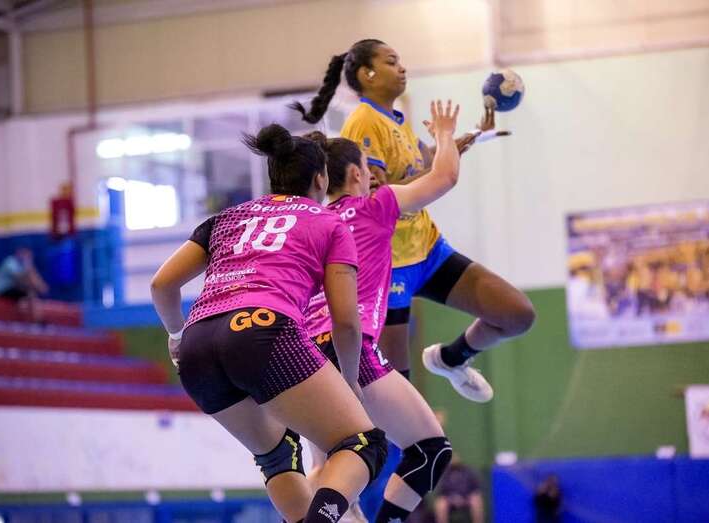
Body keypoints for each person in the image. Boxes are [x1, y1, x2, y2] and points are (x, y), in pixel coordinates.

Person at [151, 124, 388, 523]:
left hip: (197, 346)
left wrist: (177, 334)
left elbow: (162, 285)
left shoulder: (226, 218)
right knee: (364, 444)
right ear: (321, 179)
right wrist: (350, 381)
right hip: (263, 330)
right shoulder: (328, 222)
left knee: (277, 455)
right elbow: (347, 321)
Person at [292, 38, 535, 402]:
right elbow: (377, 197)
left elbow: (426, 163)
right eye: (391, 61)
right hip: (389, 266)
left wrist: (467, 137)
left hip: (427, 248)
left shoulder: (397, 119)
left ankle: (451, 359)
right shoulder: (364, 122)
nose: (402, 67)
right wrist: (443, 145)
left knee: (516, 314)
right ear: (367, 74)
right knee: (396, 388)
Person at [302, 98, 460, 523]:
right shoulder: (375, 205)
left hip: (301, 356)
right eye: (368, 169)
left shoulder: (313, 222)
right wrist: (445, 135)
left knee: (328, 471)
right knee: (430, 451)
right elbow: (444, 176)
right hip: (348, 349)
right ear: (358, 174)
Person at [0, 246, 49, 322]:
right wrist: (29, 266)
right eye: (25, 254)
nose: (26, 256)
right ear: (19, 253)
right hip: (1, 290)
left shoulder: (22, 266)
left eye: (28, 255)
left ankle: (34, 320)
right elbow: (21, 279)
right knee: (29, 294)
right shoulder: (10, 262)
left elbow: (42, 288)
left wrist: (38, 284)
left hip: (12, 290)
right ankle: (36, 320)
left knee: (26, 299)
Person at [432, 458, 484, 523]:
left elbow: (475, 488)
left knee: (476, 500)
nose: (454, 460)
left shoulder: (468, 472)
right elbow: (441, 491)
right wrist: (452, 498)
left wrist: (464, 498)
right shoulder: (445, 474)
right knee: (440, 503)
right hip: (450, 500)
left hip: (466, 498)